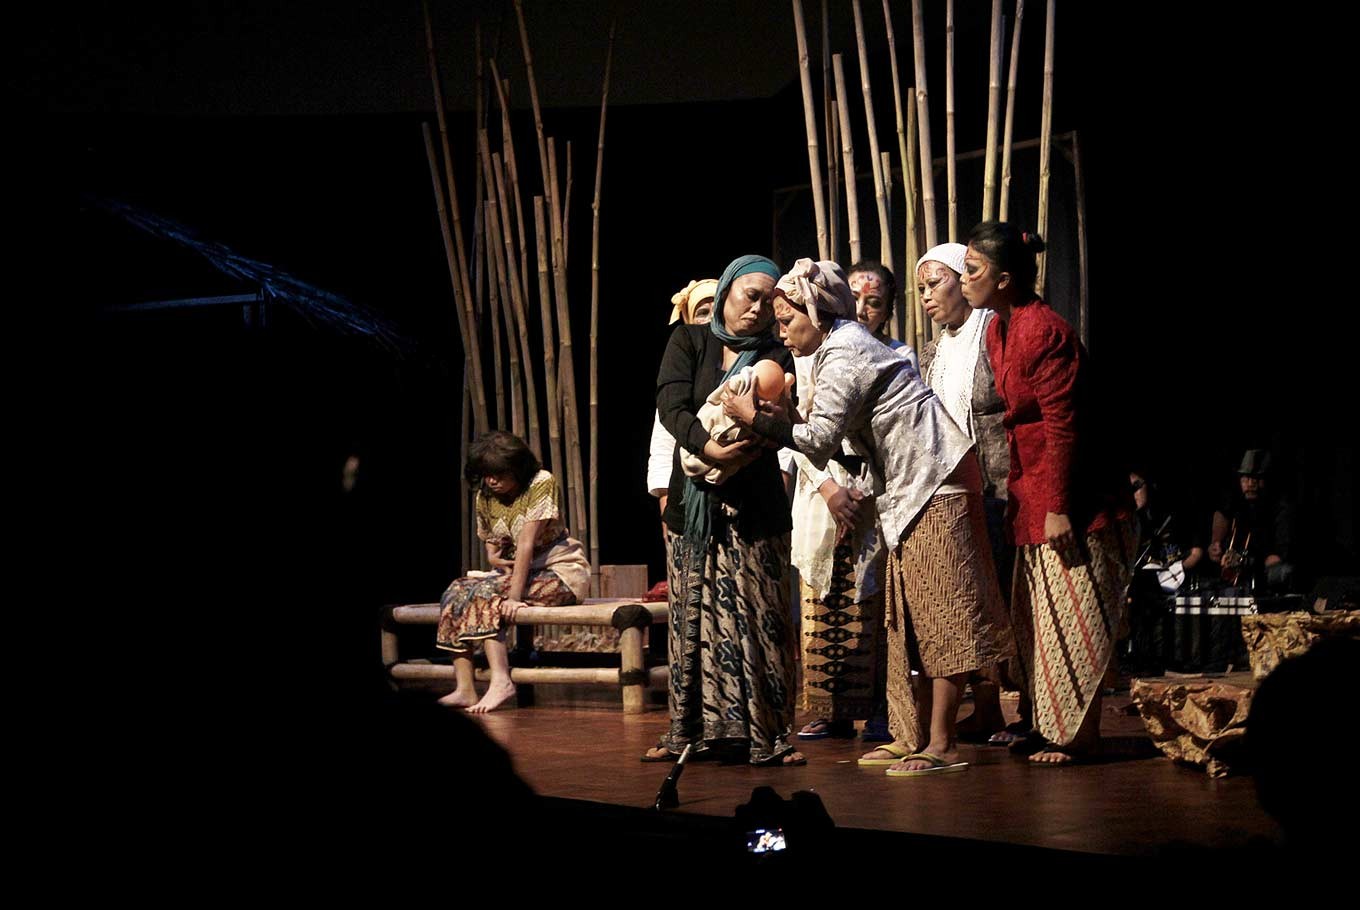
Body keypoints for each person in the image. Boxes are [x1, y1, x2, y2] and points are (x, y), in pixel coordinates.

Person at [726, 258, 1012, 778]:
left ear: (816, 311)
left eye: (788, 321)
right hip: (907, 488)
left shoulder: (847, 352)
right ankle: (911, 734)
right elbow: (820, 432)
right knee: (905, 618)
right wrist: (781, 416)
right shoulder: (836, 348)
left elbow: (817, 440)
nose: (782, 334)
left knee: (940, 612)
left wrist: (756, 419)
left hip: (936, 480)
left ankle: (942, 743)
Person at [959, 221, 1136, 764]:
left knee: (1074, 619)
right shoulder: (996, 329)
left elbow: (1065, 426)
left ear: (1006, 279)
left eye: (973, 271)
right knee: (1037, 620)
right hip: (1030, 488)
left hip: (1075, 498)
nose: (964, 281)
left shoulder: (1044, 331)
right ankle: (1043, 722)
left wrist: (1059, 506)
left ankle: (1076, 735)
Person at [646, 254, 803, 766]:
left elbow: (787, 419)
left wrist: (760, 428)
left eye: (767, 299)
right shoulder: (690, 341)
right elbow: (673, 406)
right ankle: (692, 731)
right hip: (696, 507)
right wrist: (708, 450)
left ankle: (769, 734)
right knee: (693, 619)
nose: (756, 308)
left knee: (763, 620)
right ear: (728, 293)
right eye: (748, 295)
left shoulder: (780, 354)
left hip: (755, 508)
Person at [915, 242, 1016, 742]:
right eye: (922, 289)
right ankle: (987, 708)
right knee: (970, 595)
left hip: (998, 481)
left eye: (936, 283)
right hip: (953, 487)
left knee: (1000, 589)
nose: (928, 296)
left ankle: (1026, 708)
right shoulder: (932, 350)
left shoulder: (993, 333)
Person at [435, 431, 590, 714]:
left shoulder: (540, 483)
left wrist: (514, 597)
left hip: (560, 574)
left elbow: (527, 544)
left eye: (499, 474)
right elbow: (493, 545)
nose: (491, 480)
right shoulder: (486, 493)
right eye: (486, 474)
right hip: (519, 572)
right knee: (456, 588)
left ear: (517, 468)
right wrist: (496, 558)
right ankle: (465, 688)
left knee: (486, 592)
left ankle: (501, 681)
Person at [647, 278, 718, 517]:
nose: (710, 319)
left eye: (717, 310)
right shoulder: (680, 371)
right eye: (702, 312)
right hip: (686, 492)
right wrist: (667, 502)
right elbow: (664, 443)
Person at [1209, 449, 1294, 592]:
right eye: (1245, 479)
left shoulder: (1281, 509)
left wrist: (1245, 562)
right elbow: (1221, 514)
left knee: (1279, 572)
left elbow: (1279, 557)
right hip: (1239, 572)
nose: (1250, 484)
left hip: (1267, 574)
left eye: (1255, 479)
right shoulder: (1239, 502)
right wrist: (1215, 543)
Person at [847, 260, 919, 371]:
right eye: (853, 299)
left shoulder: (901, 357)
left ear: (885, 313)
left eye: (874, 303)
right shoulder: (821, 351)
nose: (859, 311)